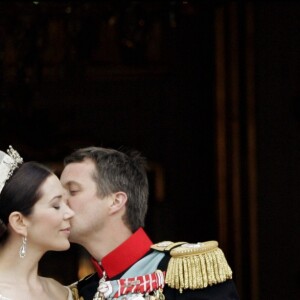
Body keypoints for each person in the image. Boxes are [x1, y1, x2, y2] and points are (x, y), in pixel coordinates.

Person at [60, 146, 240, 300]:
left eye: (73, 191)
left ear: (116, 201)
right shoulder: (82, 293)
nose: (60, 202)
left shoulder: (186, 273)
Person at [0, 145, 75, 300]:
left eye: (67, 203)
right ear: (19, 221)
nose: (70, 213)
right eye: (56, 205)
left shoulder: (61, 293)